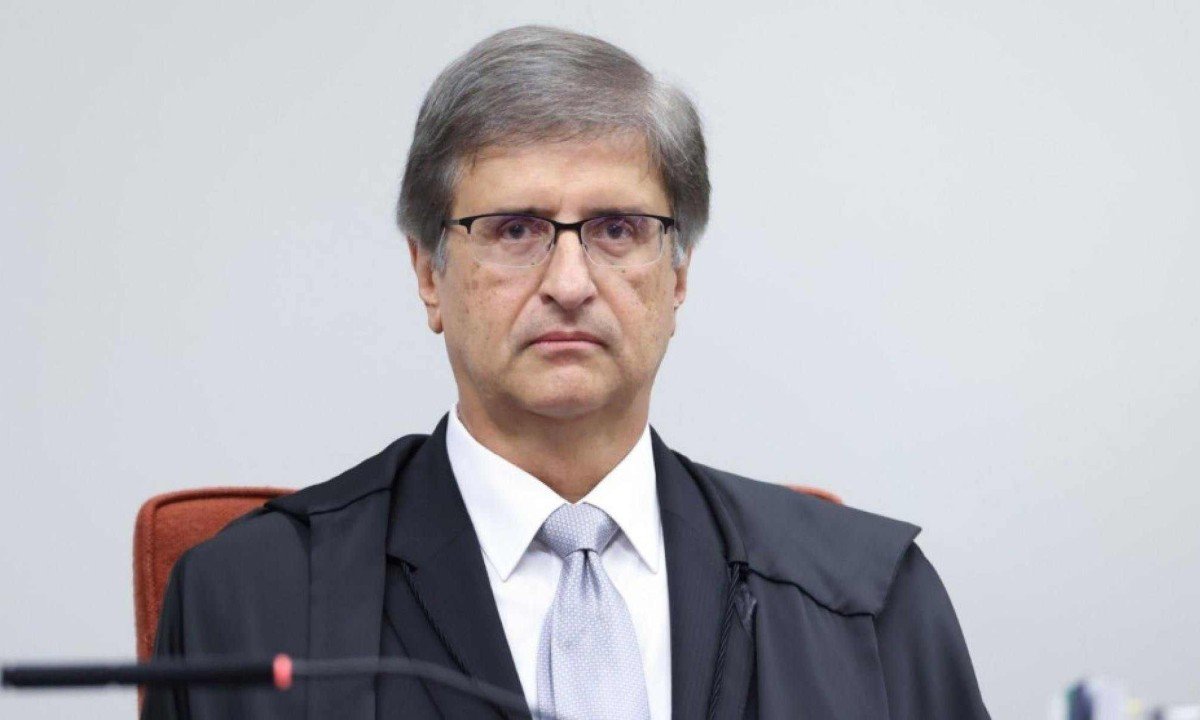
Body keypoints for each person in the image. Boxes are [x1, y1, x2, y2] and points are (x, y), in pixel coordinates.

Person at [143, 25, 990, 720]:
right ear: (429, 272)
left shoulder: (865, 601)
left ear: (678, 275)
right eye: (515, 229)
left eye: (618, 229)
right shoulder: (251, 602)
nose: (571, 283)